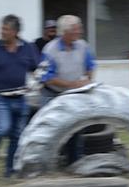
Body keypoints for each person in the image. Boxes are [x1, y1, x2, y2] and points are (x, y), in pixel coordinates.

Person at [0, 15, 39, 179]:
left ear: (16, 31)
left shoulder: (27, 48)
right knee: (2, 128)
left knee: (17, 134)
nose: (2, 32)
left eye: (6, 29)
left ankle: (10, 171)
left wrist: (36, 82)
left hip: (20, 96)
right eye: (1, 28)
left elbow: (35, 69)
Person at [41, 15, 96, 164]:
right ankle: (48, 162)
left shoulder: (82, 45)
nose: (80, 32)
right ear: (65, 32)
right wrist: (71, 84)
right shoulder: (50, 49)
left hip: (74, 95)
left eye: (79, 28)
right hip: (52, 94)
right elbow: (47, 77)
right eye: (76, 29)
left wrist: (87, 80)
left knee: (76, 127)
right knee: (51, 129)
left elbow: (90, 66)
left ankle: (74, 161)